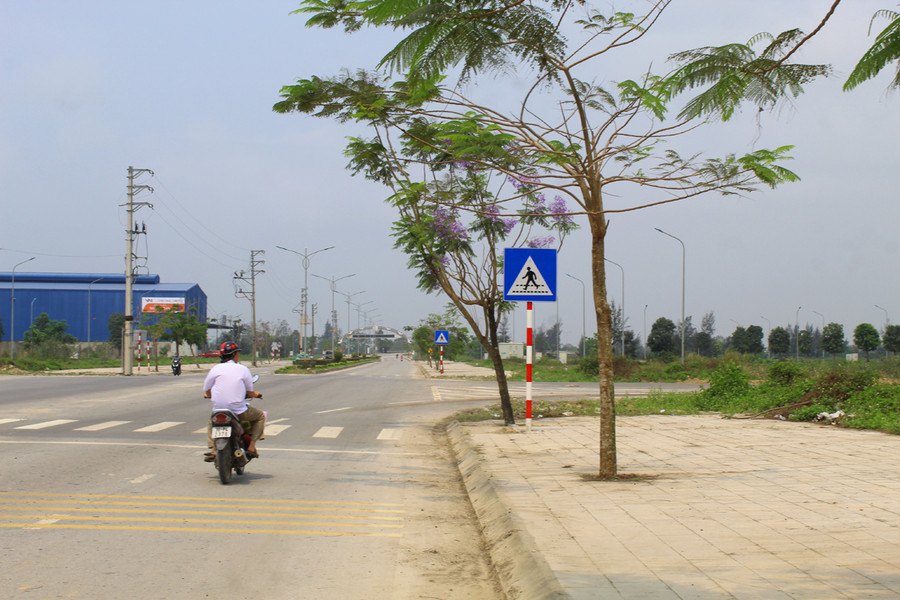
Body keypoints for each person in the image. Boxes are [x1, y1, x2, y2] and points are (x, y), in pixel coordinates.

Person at [202, 341, 265, 461]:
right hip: (238, 411)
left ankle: (213, 449)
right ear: (235, 354)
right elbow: (250, 392)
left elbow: (207, 389)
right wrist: (256, 394)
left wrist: (209, 395)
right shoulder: (243, 369)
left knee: (211, 422)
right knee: (260, 416)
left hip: (219, 410)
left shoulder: (215, 369)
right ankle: (252, 446)